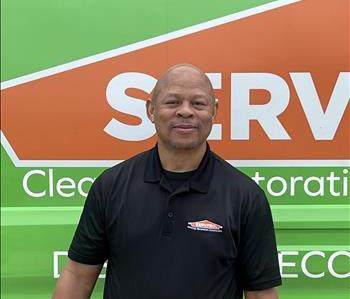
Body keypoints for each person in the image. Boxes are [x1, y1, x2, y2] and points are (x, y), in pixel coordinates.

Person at [53, 64, 281, 299]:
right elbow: (78, 275)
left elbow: (260, 293)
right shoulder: (111, 186)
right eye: (173, 102)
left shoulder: (245, 196)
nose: (185, 111)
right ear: (151, 110)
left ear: (214, 111)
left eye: (198, 103)